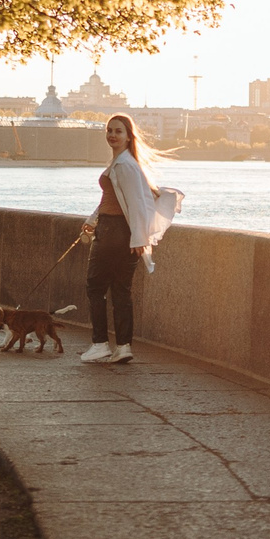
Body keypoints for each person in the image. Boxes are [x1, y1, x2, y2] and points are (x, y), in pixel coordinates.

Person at [77, 113, 183, 364]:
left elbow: (137, 203)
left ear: (128, 136)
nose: (112, 135)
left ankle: (100, 344)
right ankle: (123, 346)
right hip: (120, 231)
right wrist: (93, 219)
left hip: (114, 232)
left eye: (118, 131)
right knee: (121, 291)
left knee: (95, 287)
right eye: (109, 130)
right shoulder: (125, 162)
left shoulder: (124, 164)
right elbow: (115, 199)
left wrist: (139, 238)